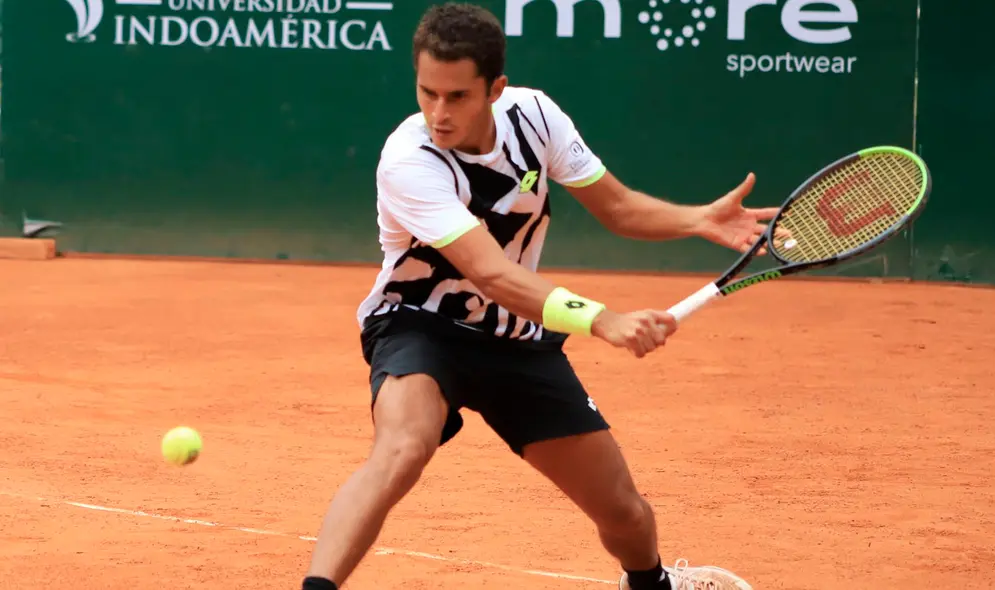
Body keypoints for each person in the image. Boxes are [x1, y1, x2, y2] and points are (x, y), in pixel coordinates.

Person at [302, 3, 779, 589]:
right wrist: (600, 319)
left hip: (515, 337)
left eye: (458, 96)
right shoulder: (409, 160)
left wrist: (698, 219)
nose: (439, 113)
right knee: (402, 448)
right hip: (419, 326)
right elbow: (491, 274)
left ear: (495, 89)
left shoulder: (535, 118)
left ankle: (652, 584)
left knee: (625, 513)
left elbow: (618, 207)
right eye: (427, 93)